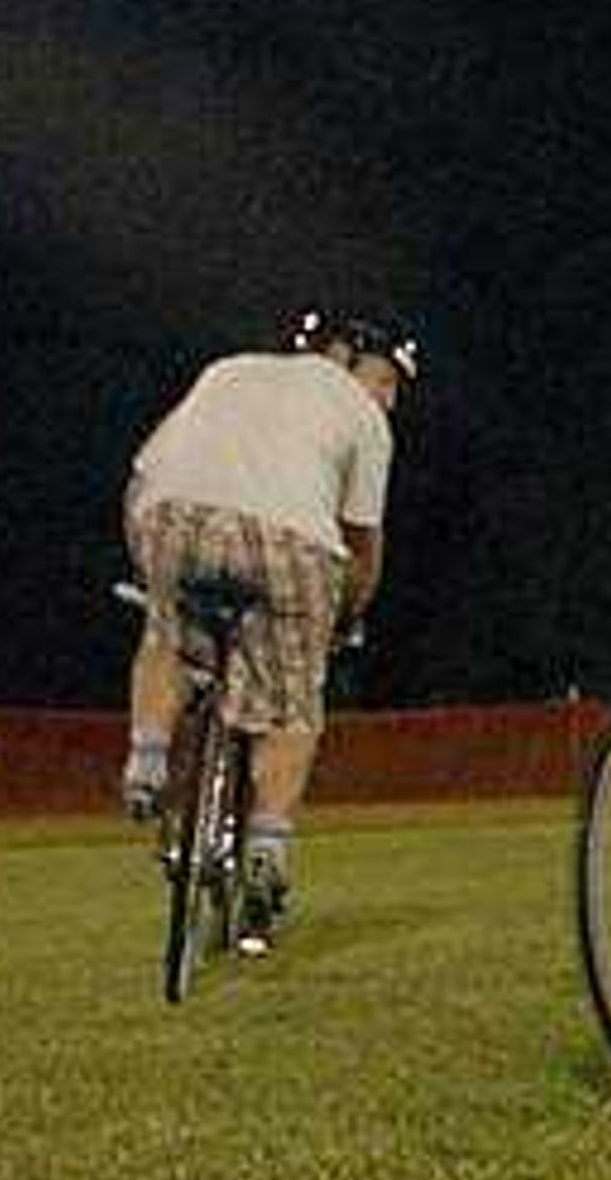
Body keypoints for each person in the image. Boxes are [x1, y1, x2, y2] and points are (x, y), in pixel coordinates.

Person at [119, 309, 411, 952]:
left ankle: (147, 757)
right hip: (289, 541)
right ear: (344, 362)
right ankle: (267, 849)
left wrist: (148, 568)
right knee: (292, 705)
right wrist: (347, 617)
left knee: (165, 635)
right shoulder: (362, 417)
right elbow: (362, 545)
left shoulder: (227, 370)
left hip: (170, 513)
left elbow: (146, 469)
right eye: (386, 380)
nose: (390, 397)